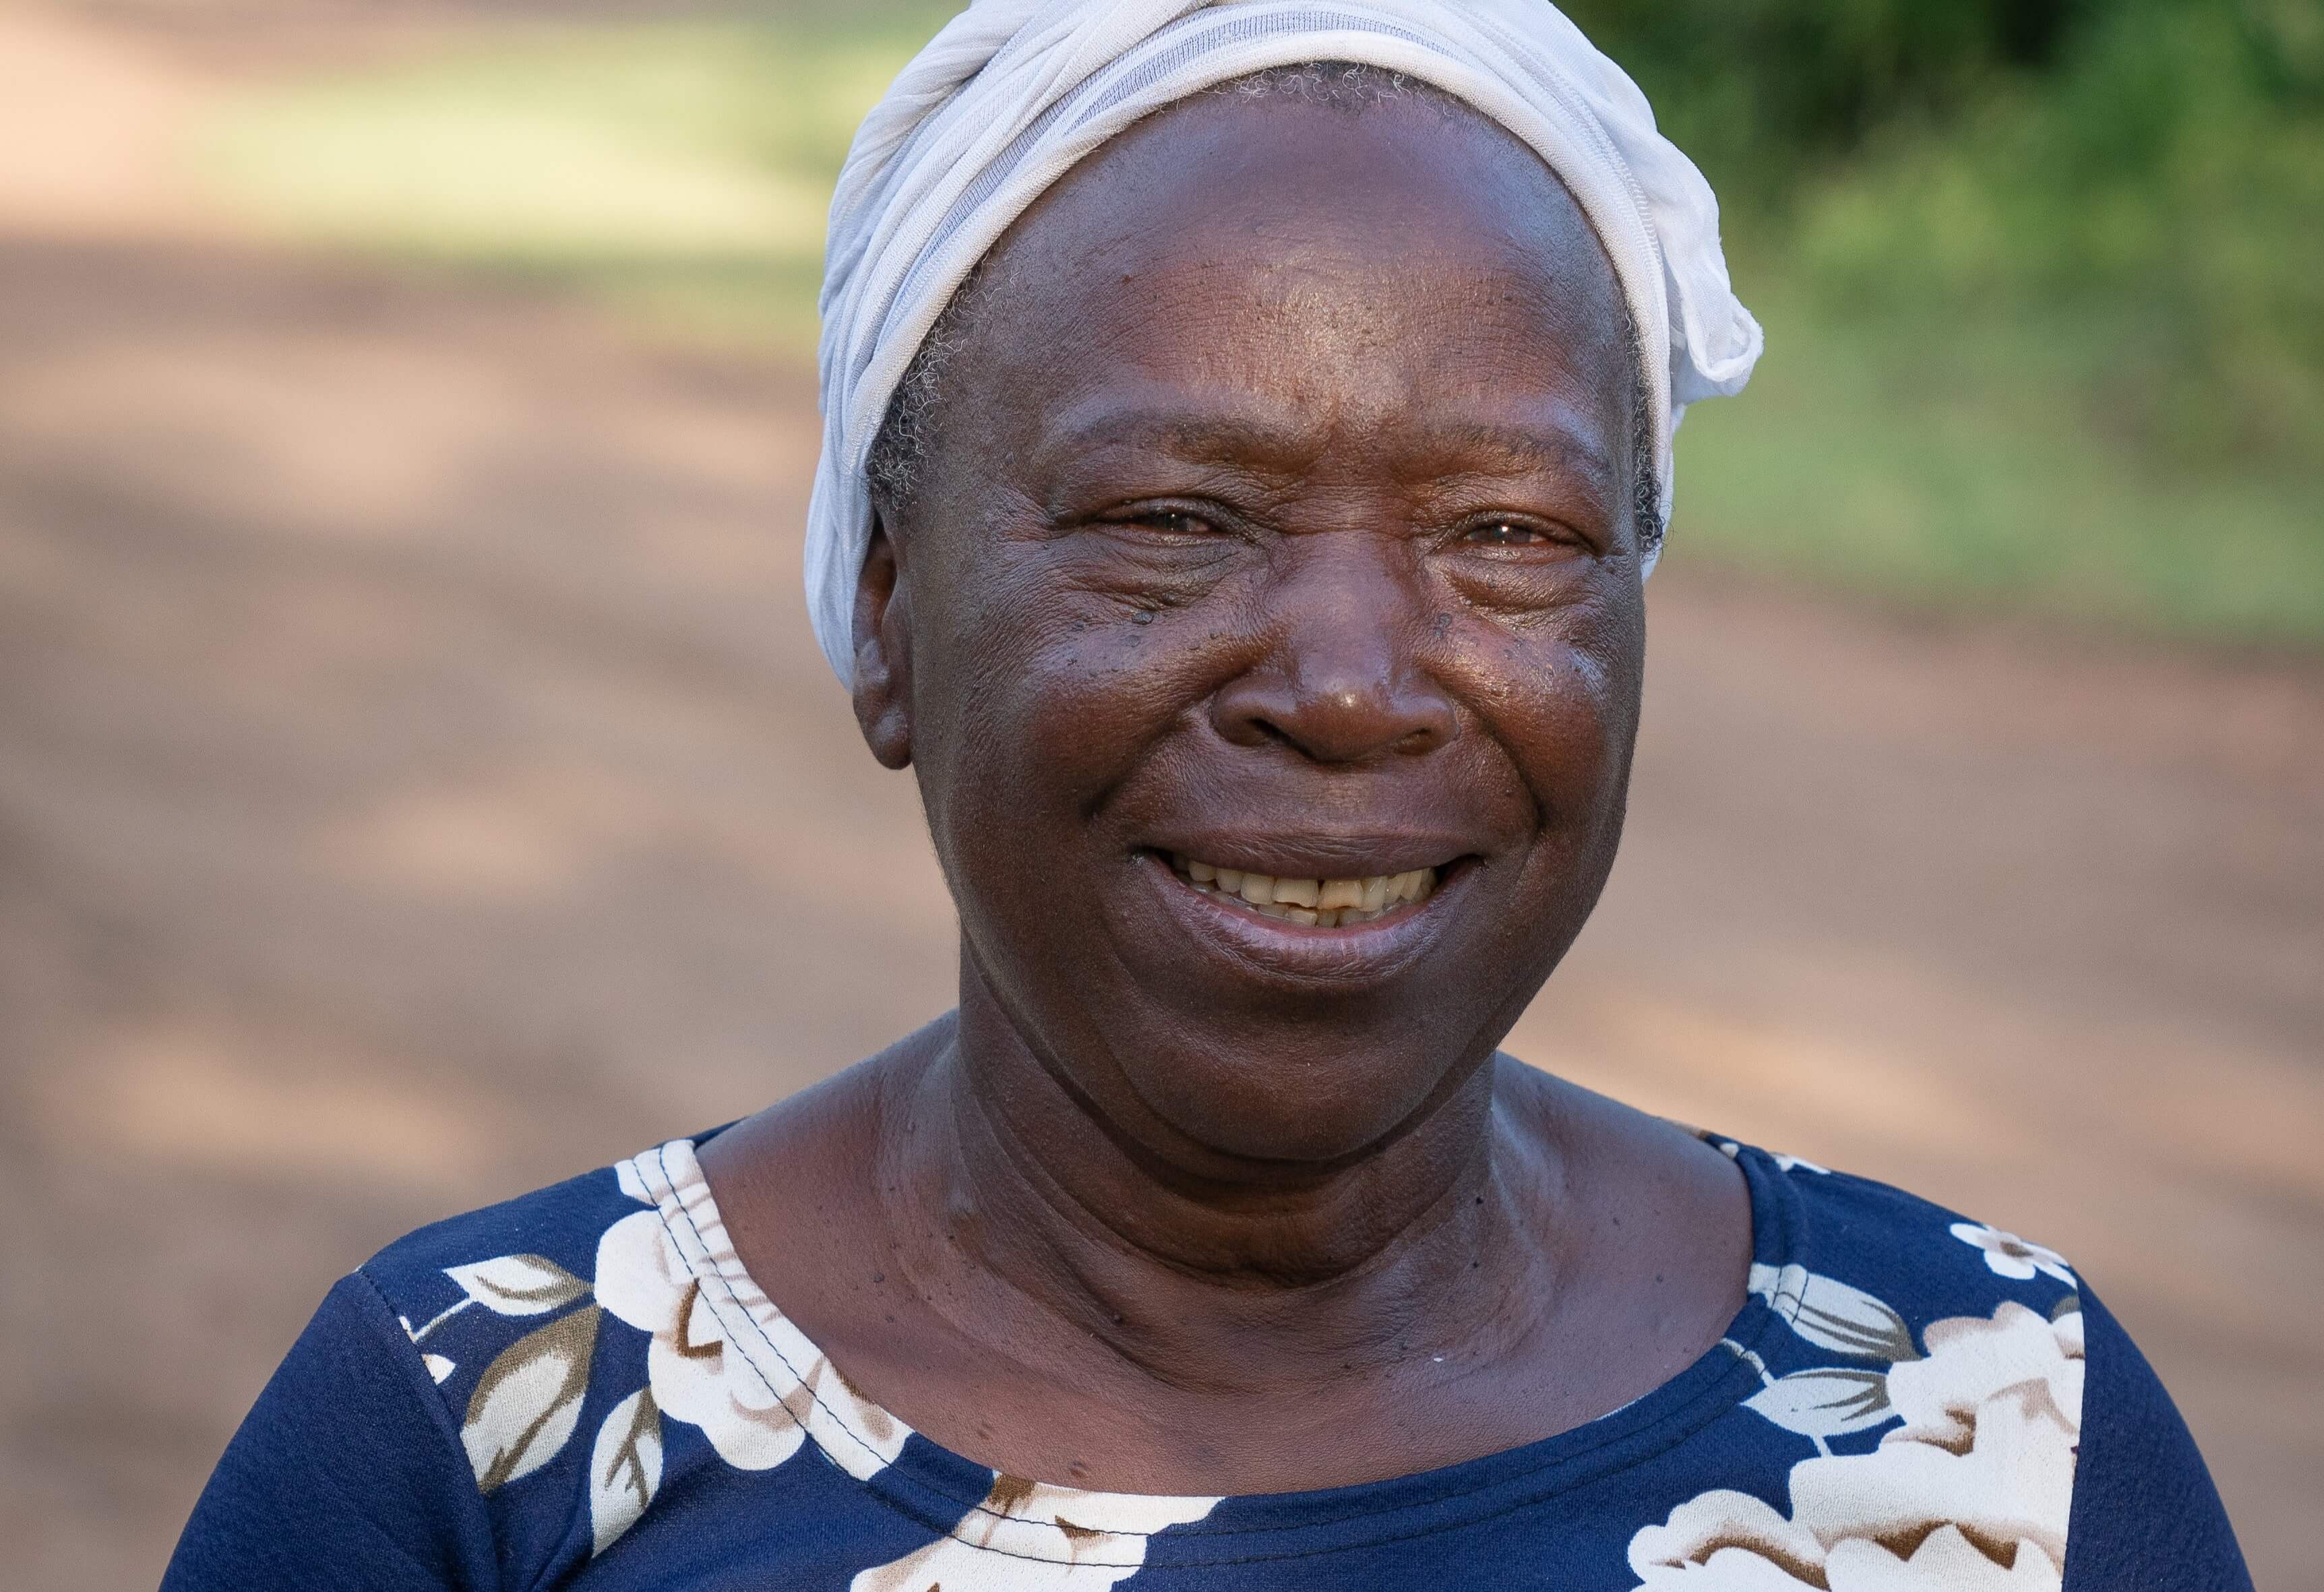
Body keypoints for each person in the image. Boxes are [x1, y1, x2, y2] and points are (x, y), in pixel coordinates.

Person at [163, 2, 2251, 1587]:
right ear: (889, 612)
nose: (1350, 685)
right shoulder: (485, 1440)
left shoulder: (2002, 1432)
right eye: (1173, 516)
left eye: (1510, 534)